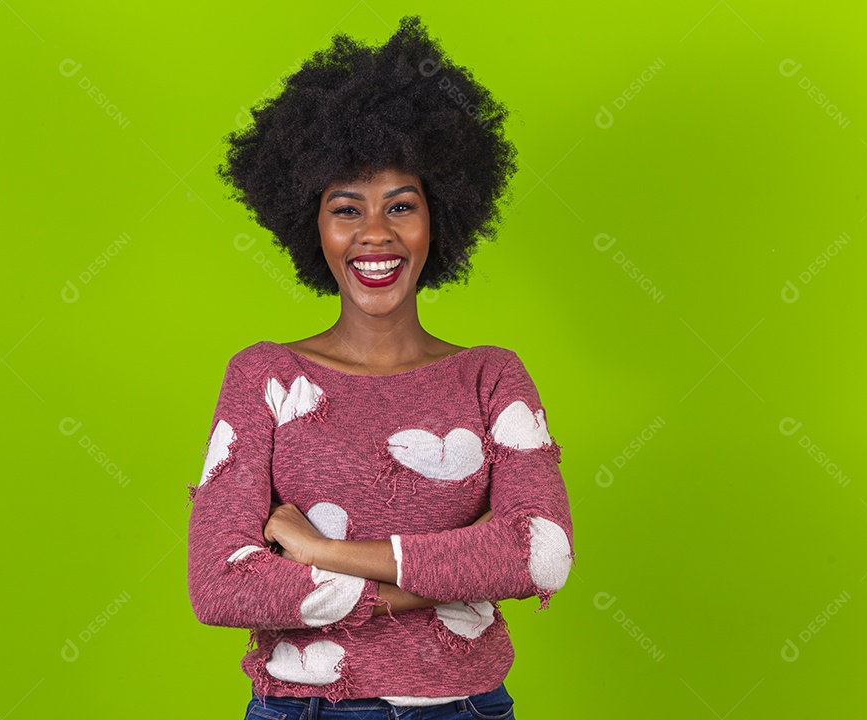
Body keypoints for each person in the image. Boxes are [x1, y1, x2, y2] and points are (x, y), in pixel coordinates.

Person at [186, 15, 575, 719]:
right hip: (302, 709)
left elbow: (539, 554)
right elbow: (220, 585)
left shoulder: (491, 378)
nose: (375, 233)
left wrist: (316, 550)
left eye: (402, 205)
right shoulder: (264, 377)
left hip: (465, 706)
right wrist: (443, 577)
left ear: (439, 219)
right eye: (346, 209)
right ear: (314, 225)